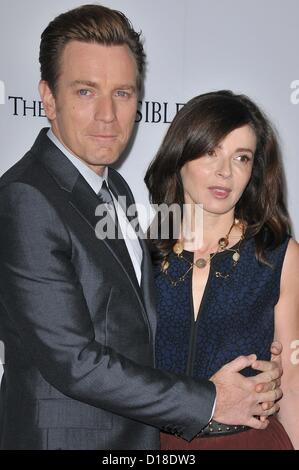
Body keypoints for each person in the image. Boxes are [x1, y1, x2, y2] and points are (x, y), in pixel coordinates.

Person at [0, 5, 282, 450]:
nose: (109, 116)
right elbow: (74, 362)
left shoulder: (118, 192)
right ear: (48, 98)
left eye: (124, 93)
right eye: (86, 92)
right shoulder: (26, 197)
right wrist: (210, 400)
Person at [145, 90, 299, 450]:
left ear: (254, 171)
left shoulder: (277, 255)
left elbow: (292, 381)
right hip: (155, 443)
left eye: (241, 157)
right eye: (211, 152)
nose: (224, 172)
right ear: (180, 157)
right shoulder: (139, 253)